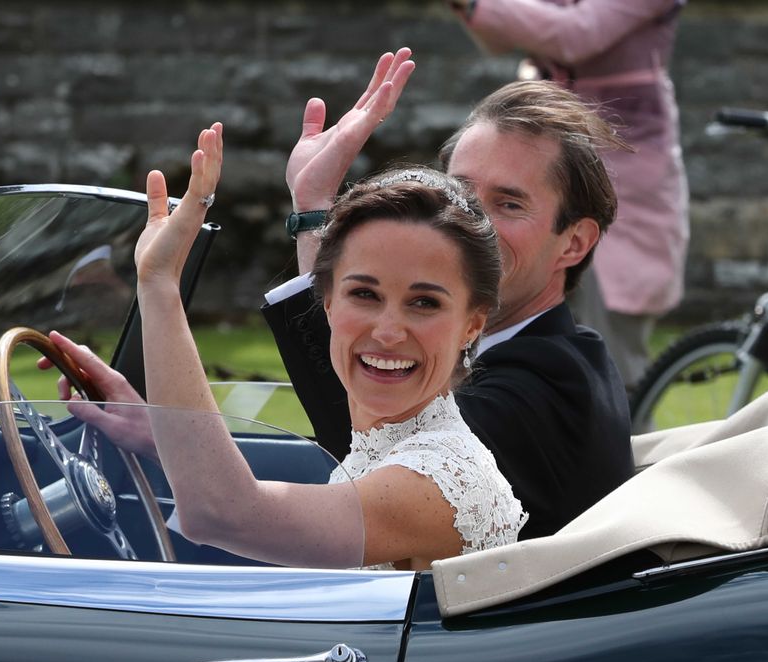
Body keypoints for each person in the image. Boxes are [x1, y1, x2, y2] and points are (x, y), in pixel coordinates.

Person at [45, 127, 527, 570]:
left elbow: (221, 513)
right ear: (329, 303)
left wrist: (158, 285)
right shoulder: (388, 445)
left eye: (424, 302)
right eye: (365, 294)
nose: (387, 331)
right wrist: (155, 429)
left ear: (471, 324)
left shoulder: (441, 479)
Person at [262, 48, 634, 540]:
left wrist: (314, 211)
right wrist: (175, 436)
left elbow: (364, 439)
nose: (473, 224)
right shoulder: (536, 354)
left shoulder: (547, 384)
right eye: (460, 192)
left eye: (508, 203)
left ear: (575, 242)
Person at [446, 0, 691, 389]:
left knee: (618, 367)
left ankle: (632, 447)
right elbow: (499, 36)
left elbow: (576, 35)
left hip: (627, 191)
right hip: (537, 182)